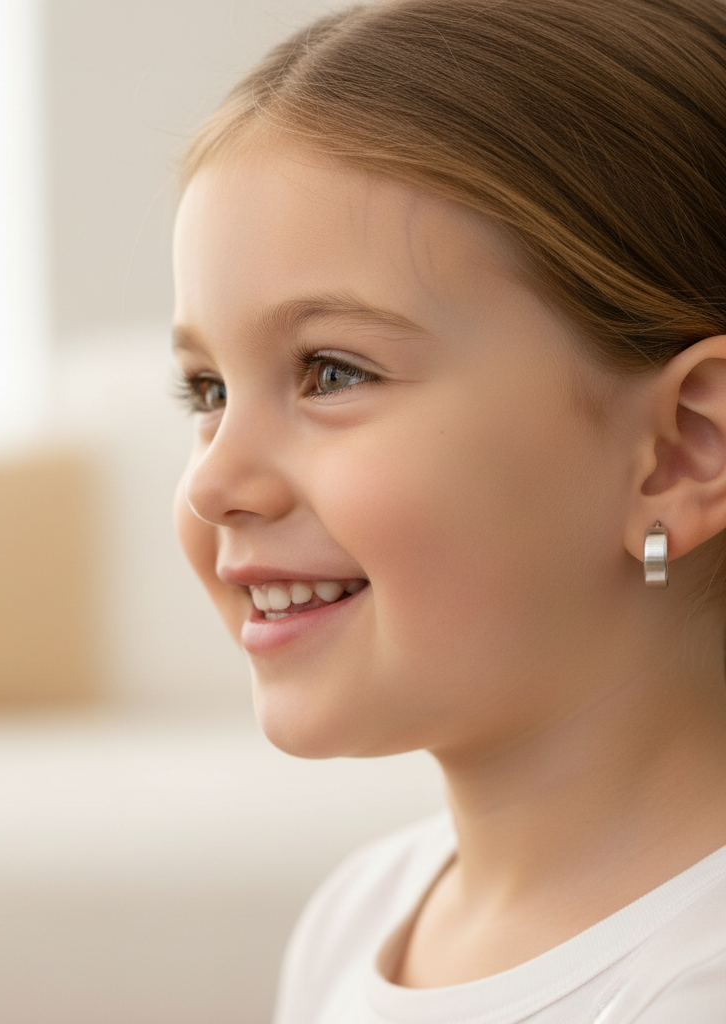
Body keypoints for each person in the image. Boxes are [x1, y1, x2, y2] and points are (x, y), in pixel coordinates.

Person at [169, 0, 726, 1020]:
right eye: (205, 391)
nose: (212, 481)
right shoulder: (363, 913)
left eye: (330, 370)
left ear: (683, 450)